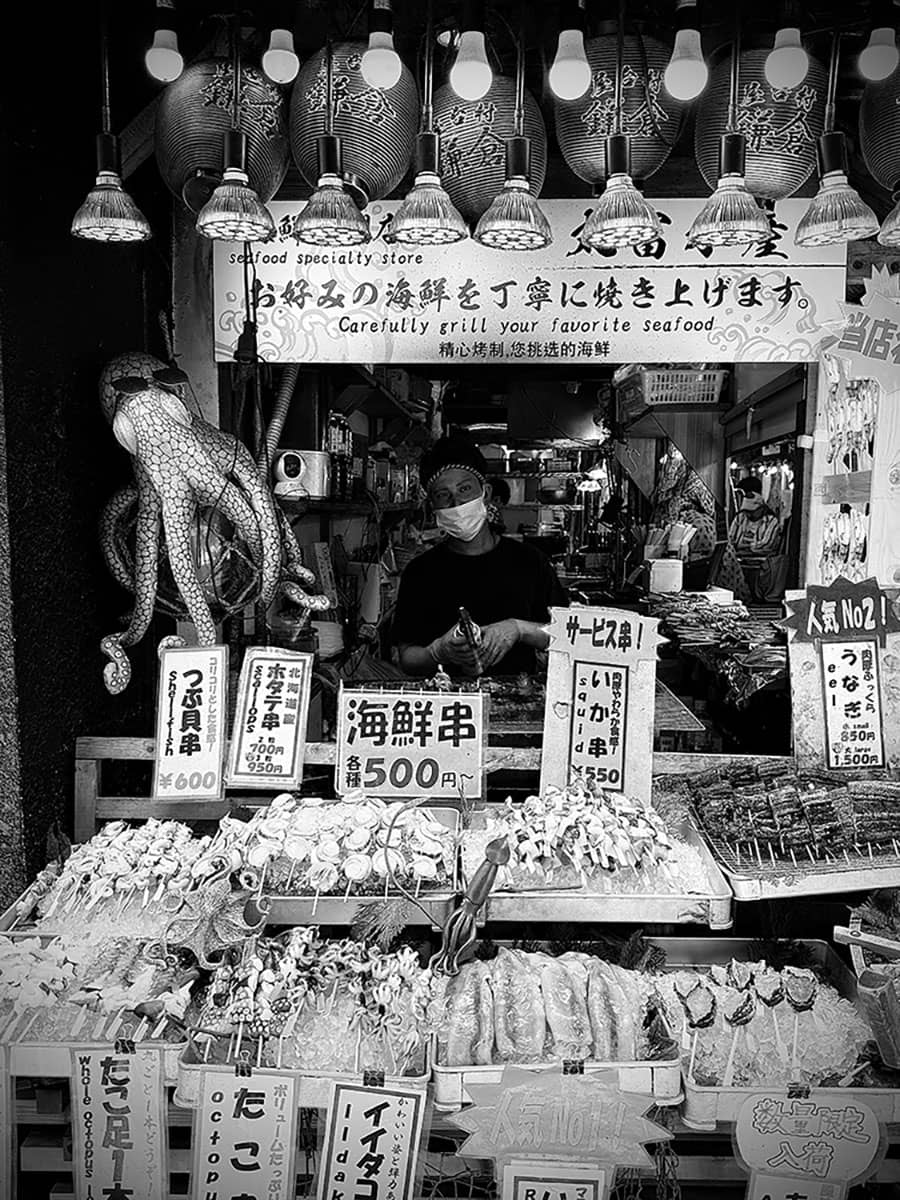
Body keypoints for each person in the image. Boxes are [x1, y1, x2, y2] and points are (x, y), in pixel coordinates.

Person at [392, 435, 568, 677]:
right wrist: (438, 652)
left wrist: (518, 629)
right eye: (443, 495)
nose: (457, 502)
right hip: (449, 707)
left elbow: (567, 636)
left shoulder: (530, 562)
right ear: (433, 506)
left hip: (518, 702)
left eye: (465, 489)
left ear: (484, 492)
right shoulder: (421, 572)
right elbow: (407, 659)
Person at [728, 476, 781, 558]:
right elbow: (730, 540)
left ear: (761, 508)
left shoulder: (771, 521)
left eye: (752, 512)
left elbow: (766, 545)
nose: (748, 515)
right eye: (746, 511)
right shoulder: (740, 517)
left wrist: (747, 547)